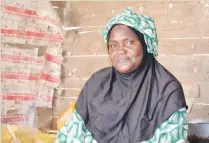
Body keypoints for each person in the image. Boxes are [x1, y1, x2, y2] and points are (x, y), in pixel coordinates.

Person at [56, 8, 188, 143]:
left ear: (145, 44)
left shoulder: (167, 90)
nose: (120, 51)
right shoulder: (97, 83)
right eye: (113, 45)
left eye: (129, 42)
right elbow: (69, 136)